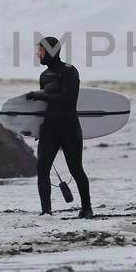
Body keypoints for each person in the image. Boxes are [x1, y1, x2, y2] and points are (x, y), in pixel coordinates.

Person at [28, 36, 92, 218]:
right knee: (42, 169)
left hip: (69, 127)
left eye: (40, 51)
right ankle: (46, 211)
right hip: (49, 129)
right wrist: (35, 127)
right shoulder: (44, 76)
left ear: (50, 51)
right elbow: (43, 108)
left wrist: (40, 96)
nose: (38, 54)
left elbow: (67, 99)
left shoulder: (70, 72)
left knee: (75, 169)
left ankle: (87, 208)